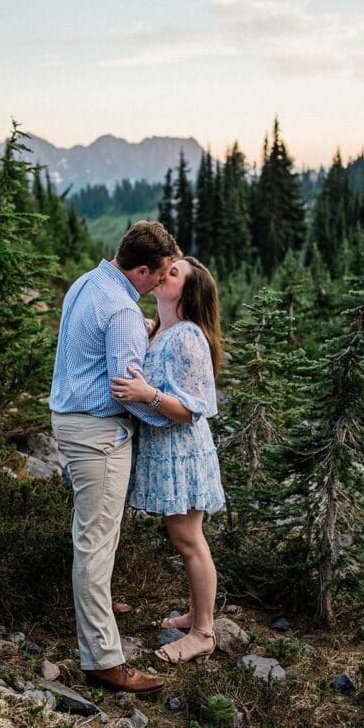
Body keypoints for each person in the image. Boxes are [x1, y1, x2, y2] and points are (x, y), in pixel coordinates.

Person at [50, 220, 189, 694]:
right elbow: (127, 389)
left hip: (70, 421)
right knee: (94, 539)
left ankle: (99, 607)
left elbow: (94, 354)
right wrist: (170, 413)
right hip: (99, 434)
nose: (163, 281)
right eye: (163, 272)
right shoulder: (123, 310)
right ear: (144, 270)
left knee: (92, 534)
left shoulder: (88, 284)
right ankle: (104, 659)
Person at [110, 256, 225, 665]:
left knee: (189, 541)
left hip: (185, 455)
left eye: (174, 272)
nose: (163, 272)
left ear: (187, 292)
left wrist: (149, 396)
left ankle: (203, 633)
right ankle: (197, 612)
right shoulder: (162, 331)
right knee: (185, 540)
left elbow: (195, 408)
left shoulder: (189, 335)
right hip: (167, 453)